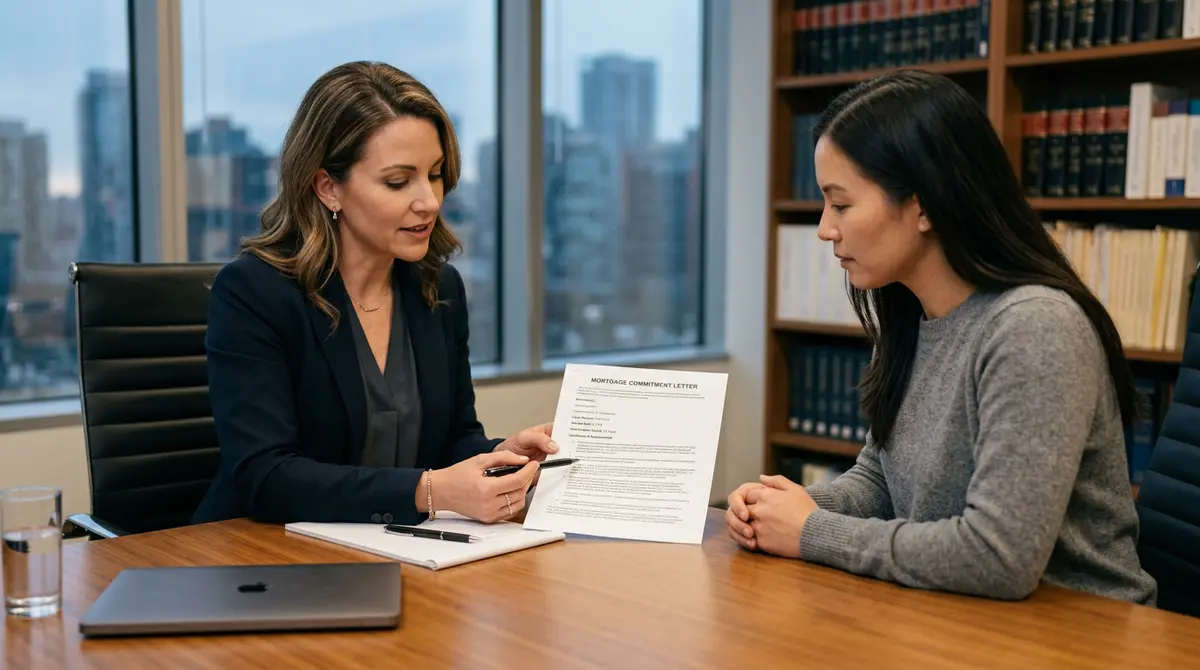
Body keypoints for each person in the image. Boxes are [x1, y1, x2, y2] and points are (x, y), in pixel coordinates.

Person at [726, 70, 1157, 605]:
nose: (823, 228)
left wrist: (811, 531)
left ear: (924, 204)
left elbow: (999, 558)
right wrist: (780, 510)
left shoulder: (1034, 328)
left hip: (1083, 636)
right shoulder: (912, 312)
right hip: (963, 619)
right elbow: (880, 484)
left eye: (840, 204)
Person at [192, 61, 555, 527]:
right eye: (398, 182)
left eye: (436, 174)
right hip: (264, 561)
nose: (428, 201)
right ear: (328, 188)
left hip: (399, 551)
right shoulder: (254, 293)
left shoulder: (438, 289)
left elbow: (455, 441)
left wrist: (500, 457)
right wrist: (430, 491)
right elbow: (266, 477)